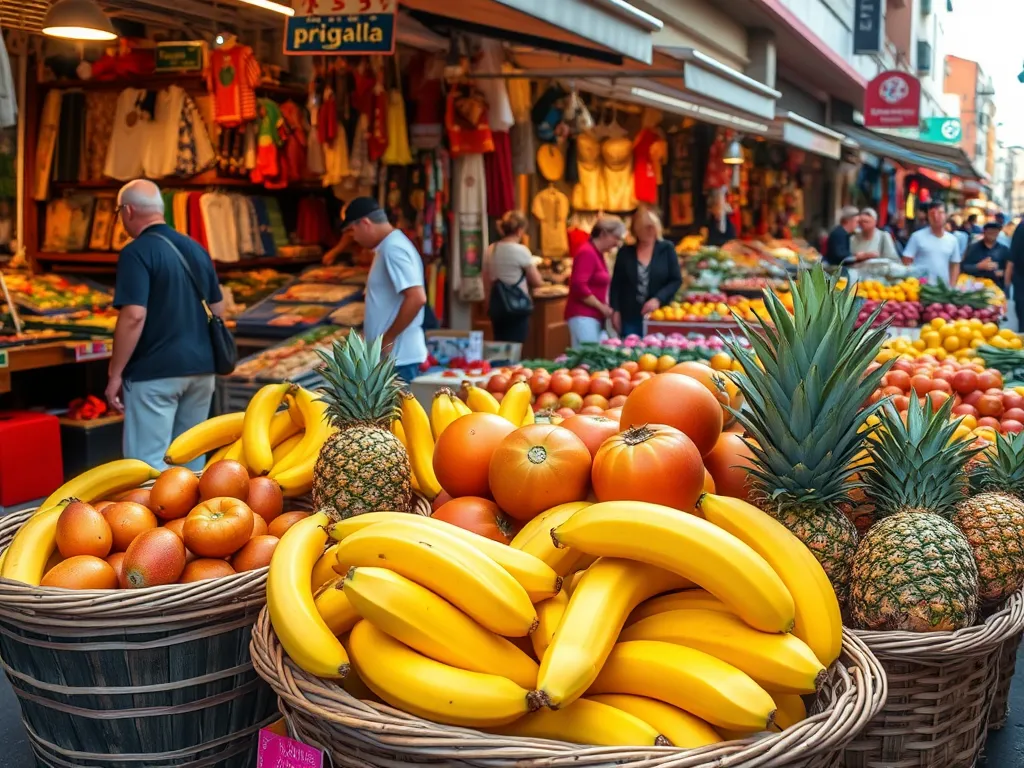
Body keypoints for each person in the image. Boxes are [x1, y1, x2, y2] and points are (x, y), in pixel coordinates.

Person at [105, 179, 224, 471]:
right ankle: (196, 516)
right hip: (201, 370)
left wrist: (114, 373)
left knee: (146, 467)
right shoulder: (195, 249)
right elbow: (219, 309)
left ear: (128, 210)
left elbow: (134, 315)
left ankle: (146, 518)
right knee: (191, 464)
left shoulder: (136, 252)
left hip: (154, 374)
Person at [341, 197, 427, 384]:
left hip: (398, 360)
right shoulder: (388, 247)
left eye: (352, 231)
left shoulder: (393, 248)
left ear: (365, 223)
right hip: (391, 358)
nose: (353, 237)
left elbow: (417, 297)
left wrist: (387, 339)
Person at [610, 206, 682, 338]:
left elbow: (676, 280)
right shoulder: (625, 252)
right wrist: (615, 311)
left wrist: (658, 299)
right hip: (629, 316)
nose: (649, 232)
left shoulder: (667, 249)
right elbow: (616, 285)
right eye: (644, 228)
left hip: (659, 316)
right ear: (636, 230)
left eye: (651, 227)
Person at [482, 210, 543, 343]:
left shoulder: (491, 249)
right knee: (516, 345)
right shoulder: (521, 251)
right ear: (520, 230)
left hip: (497, 306)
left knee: (500, 343)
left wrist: (488, 304)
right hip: (517, 307)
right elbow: (537, 281)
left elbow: (486, 280)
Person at [565, 216, 626, 348]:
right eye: (616, 237)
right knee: (587, 360)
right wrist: (601, 307)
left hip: (591, 317)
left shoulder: (597, 253)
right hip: (583, 316)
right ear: (604, 233)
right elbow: (579, 286)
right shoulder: (587, 252)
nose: (617, 243)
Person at [903, 204, 962, 285]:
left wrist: (952, 287)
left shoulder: (952, 240)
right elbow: (907, 261)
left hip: (942, 290)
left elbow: (955, 265)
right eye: (932, 214)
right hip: (919, 288)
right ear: (928, 217)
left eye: (940, 213)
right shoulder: (917, 236)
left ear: (946, 215)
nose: (936, 217)